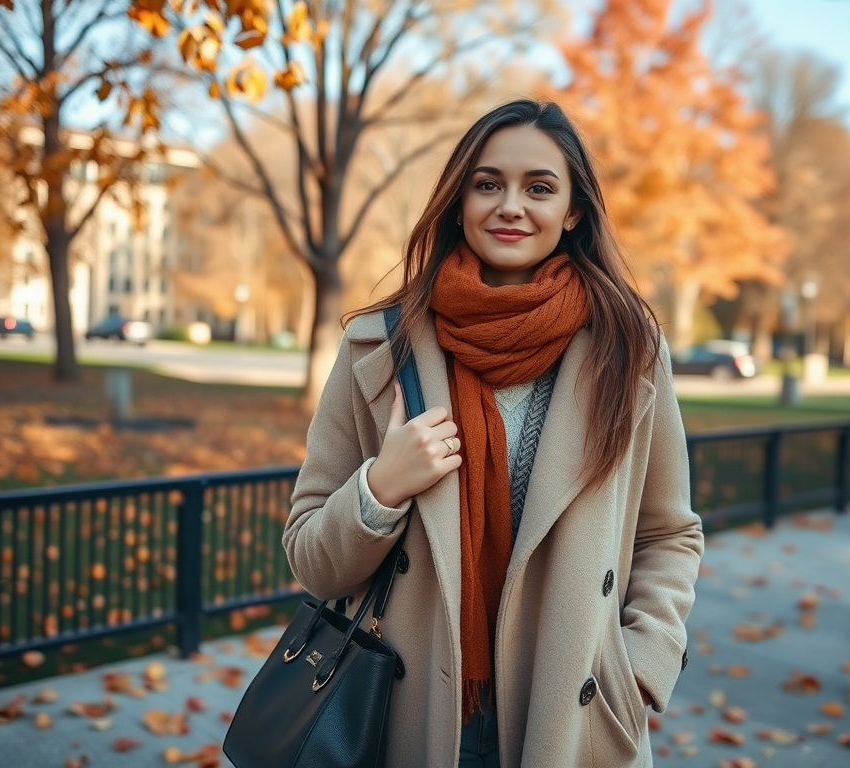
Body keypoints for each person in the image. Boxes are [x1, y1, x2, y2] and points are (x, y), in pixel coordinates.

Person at [284, 99, 704, 768]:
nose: (511, 205)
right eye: (488, 184)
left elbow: (668, 533)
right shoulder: (377, 346)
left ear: (573, 211)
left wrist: (642, 664)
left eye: (539, 187)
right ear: (458, 201)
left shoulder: (629, 349)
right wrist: (381, 489)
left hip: (568, 711)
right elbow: (310, 556)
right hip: (409, 713)